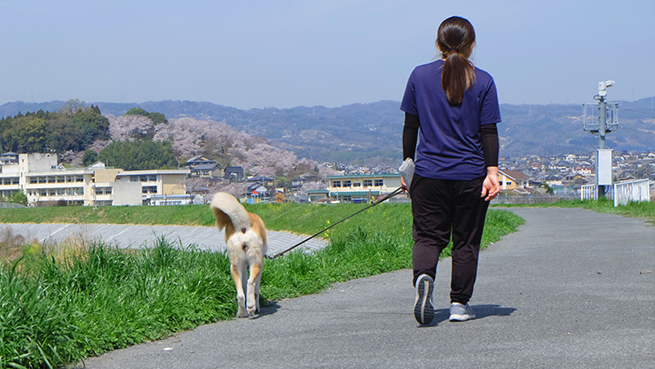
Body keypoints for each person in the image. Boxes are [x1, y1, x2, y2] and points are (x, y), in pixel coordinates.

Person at [400, 16, 501, 325]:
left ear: (438, 45)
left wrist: (408, 166)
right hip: (470, 175)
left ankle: (424, 278)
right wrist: (492, 172)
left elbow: (410, 127)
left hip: (428, 174)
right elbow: (488, 132)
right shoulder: (483, 81)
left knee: (428, 238)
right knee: (466, 241)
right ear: (471, 46)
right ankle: (459, 304)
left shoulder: (419, 76)